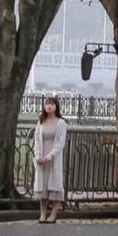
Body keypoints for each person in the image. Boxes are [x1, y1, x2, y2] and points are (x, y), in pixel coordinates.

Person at [33, 96, 68, 224]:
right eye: (47, 104)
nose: (49, 106)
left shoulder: (61, 123)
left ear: (56, 106)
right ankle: (42, 214)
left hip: (54, 159)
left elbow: (60, 143)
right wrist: (38, 156)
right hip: (41, 159)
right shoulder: (41, 121)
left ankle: (53, 214)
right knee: (43, 189)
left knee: (56, 188)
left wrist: (49, 156)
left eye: (52, 104)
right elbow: (36, 139)